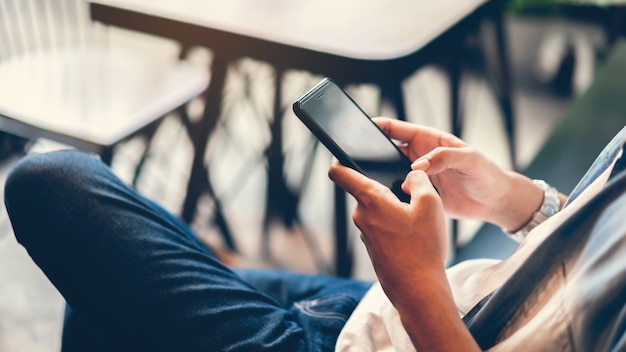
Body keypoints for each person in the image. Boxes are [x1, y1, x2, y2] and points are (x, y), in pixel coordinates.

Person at [4, 118, 626, 351]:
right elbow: (596, 240)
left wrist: (417, 286)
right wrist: (516, 200)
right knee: (105, 302)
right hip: (396, 313)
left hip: (420, 318)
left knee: (51, 182)